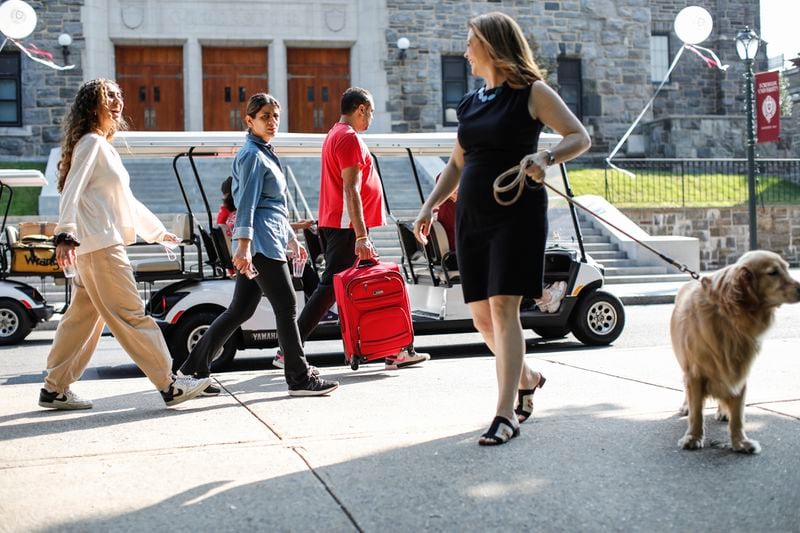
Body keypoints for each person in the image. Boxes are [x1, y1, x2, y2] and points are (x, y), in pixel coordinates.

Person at [413, 12, 591, 445]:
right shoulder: (472, 103)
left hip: (517, 213)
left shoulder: (532, 93)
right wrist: (429, 207)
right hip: (473, 219)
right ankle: (527, 378)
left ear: (492, 45)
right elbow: (457, 163)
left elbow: (578, 136)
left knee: (503, 309)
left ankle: (504, 414)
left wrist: (546, 158)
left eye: (471, 41)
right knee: (480, 318)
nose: (465, 49)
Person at [38, 79, 210, 410]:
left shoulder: (101, 146)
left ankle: (54, 388)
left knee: (82, 320)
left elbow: (125, 201)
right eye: (109, 98)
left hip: (94, 247)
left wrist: (159, 232)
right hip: (101, 247)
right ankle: (169, 384)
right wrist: (64, 233)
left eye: (119, 97)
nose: (117, 104)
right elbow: (71, 189)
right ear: (92, 106)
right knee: (131, 315)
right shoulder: (92, 143)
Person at [179, 93, 338, 397]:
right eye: (265, 116)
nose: (272, 122)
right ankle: (299, 377)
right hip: (261, 241)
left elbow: (275, 204)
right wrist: (243, 245)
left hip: (269, 238)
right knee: (288, 305)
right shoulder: (252, 154)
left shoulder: (264, 151)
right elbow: (247, 203)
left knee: (240, 310)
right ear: (249, 120)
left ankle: (191, 370)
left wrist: (291, 238)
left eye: (275, 116)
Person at [273, 87, 430, 371]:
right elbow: (351, 188)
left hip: (342, 224)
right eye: (370, 112)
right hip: (348, 227)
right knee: (332, 288)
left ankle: (394, 348)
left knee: (361, 285)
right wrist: (361, 236)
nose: (370, 118)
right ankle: (288, 349)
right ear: (360, 109)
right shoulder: (348, 138)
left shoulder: (336, 134)